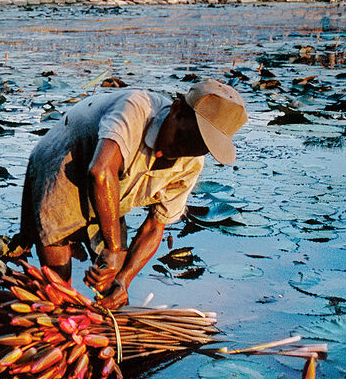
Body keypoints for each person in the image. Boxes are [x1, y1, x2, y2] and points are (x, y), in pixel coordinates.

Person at [17, 79, 247, 309]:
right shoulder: (136, 109)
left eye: (196, 148)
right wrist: (113, 248)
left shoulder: (191, 164)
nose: (182, 151)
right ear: (176, 110)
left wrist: (123, 280)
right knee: (59, 287)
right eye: (182, 138)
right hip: (66, 162)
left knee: (110, 284)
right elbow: (101, 171)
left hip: (113, 188)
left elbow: (155, 227)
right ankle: (58, 311)